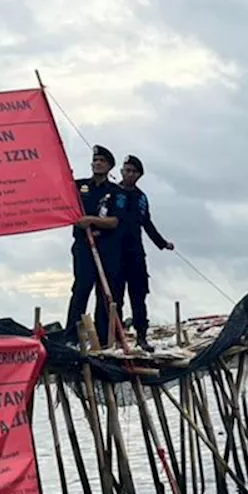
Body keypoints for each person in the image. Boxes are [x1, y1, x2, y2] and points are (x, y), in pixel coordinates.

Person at [113, 155, 174, 352]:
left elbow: (147, 223)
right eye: (126, 170)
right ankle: (117, 337)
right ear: (121, 172)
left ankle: (141, 336)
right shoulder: (113, 192)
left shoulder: (141, 197)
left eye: (133, 171)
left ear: (139, 175)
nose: (129, 174)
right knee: (116, 297)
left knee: (139, 296)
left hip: (136, 253)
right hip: (115, 252)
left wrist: (162, 243)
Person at [64, 145, 121, 348]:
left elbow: (115, 221)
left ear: (109, 166)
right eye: (95, 160)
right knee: (81, 288)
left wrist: (92, 220)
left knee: (103, 292)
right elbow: (61, 193)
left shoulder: (115, 192)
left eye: (102, 161)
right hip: (83, 245)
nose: (97, 164)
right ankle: (71, 336)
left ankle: (103, 338)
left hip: (105, 246)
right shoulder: (79, 187)